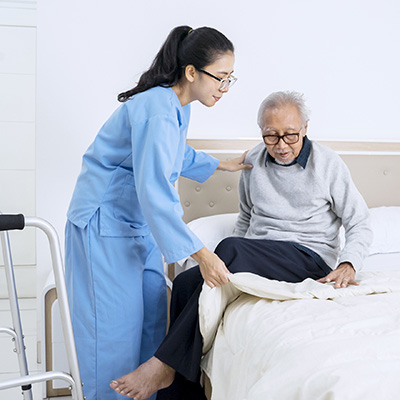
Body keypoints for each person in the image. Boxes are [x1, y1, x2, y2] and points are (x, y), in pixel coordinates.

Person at [109, 91, 372, 400]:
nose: (281, 146)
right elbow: (246, 219)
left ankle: (163, 363)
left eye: (290, 136)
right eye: (271, 137)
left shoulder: (328, 163)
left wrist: (349, 262)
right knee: (184, 283)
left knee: (231, 248)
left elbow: (360, 221)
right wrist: (233, 265)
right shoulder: (254, 161)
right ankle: (180, 395)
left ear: (305, 128)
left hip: (308, 257)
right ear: (261, 130)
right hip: (259, 257)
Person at [65, 25, 251, 400]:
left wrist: (223, 165)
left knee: (152, 321)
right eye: (220, 78)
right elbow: (153, 191)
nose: (224, 88)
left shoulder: (176, 109)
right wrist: (202, 255)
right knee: (114, 334)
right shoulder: (155, 109)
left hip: (138, 225)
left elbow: (173, 154)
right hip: (104, 224)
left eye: (231, 80)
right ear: (192, 72)